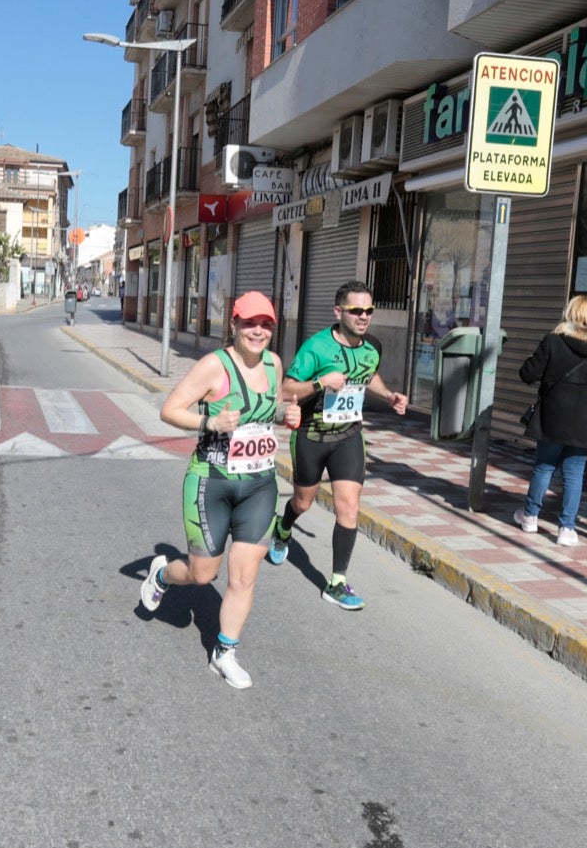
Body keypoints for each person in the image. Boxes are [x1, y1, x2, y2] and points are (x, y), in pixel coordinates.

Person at [139, 291, 300, 689]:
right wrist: (210, 423)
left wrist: (287, 413)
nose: (258, 331)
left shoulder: (275, 363)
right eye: (249, 323)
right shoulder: (213, 366)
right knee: (201, 574)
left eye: (265, 324)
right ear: (233, 324)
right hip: (211, 481)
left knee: (244, 576)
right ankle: (161, 574)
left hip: (261, 484)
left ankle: (224, 653)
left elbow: (271, 408)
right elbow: (169, 409)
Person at [265, 280, 408, 610]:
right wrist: (320, 382)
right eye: (356, 310)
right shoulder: (316, 348)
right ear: (339, 311)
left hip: (348, 436)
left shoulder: (372, 347)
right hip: (312, 436)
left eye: (369, 310)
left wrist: (388, 395)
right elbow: (286, 390)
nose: (363, 316)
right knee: (302, 503)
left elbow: (368, 374)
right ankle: (283, 527)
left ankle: (337, 582)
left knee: (349, 507)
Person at [513, 294, 587, 547]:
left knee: (545, 466)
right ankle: (567, 528)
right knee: (575, 473)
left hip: (553, 413)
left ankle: (530, 516)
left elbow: (527, 374)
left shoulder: (553, 341)